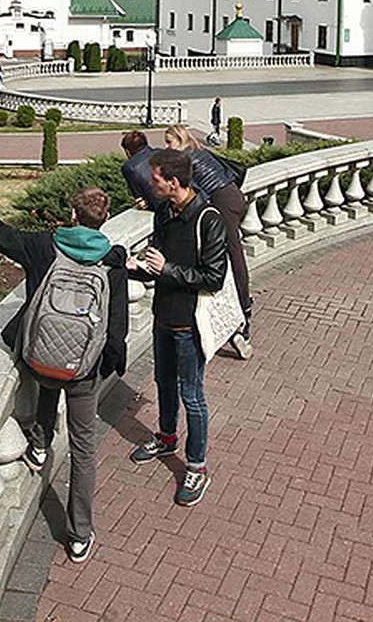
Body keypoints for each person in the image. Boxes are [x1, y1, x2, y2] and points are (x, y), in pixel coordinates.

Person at [0, 186, 127, 563]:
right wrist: (106, 364)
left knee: (48, 370)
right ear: (104, 219)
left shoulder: (42, 246)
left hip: (39, 360)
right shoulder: (112, 261)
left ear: (72, 214)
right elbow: (117, 327)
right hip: (83, 370)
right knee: (84, 449)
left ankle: (38, 444)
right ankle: (79, 534)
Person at [127, 148, 226, 507]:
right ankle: (166, 436)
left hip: (189, 324)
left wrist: (167, 269)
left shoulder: (208, 219)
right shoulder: (164, 212)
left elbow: (214, 277)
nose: (150, 185)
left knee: (192, 396)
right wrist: (133, 266)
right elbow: (156, 264)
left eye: (155, 180)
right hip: (162, 316)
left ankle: (197, 467)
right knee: (163, 383)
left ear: (173, 181)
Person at [163, 124, 252, 358]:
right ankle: (242, 309)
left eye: (169, 142)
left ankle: (244, 308)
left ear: (179, 140)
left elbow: (190, 194)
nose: (166, 147)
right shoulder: (199, 150)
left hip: (223, 202)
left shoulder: (185, 159)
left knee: (232, 255)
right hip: (234, 197)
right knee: (230, 253)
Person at [120, 130, 163, 210]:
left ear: (127, 151)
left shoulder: (129, 168)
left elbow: (139, 197)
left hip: (159, 208)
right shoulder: (161, 152)